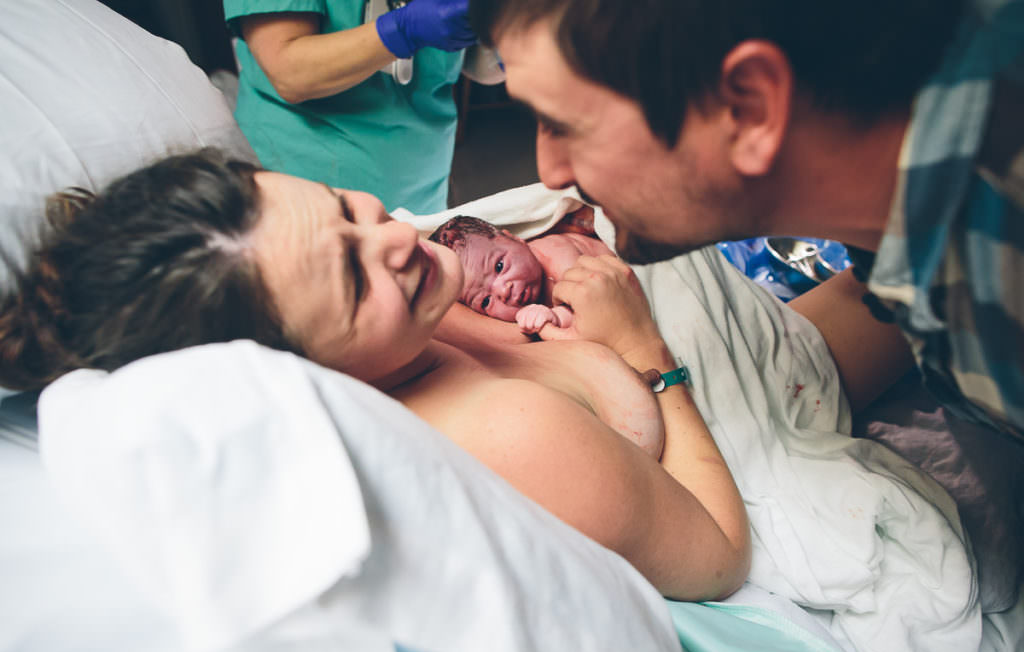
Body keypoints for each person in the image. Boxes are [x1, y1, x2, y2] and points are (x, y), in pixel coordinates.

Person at [0, 150, 750, 602]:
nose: (393, 232)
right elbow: (719, 555)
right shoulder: (509, 434)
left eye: (342, 207)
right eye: (355, 279)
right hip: (723, 462)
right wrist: (646, 347)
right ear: (302, 377)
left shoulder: (407, 303)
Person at [468, 0, 1024, 443]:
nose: (551, 172)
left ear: (750, 108)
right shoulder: (909, 232)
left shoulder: (1002, 281)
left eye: (563, 124)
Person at [224, 0, 475, 214]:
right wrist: (402, 31)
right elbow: (288, 71)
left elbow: (469, 60)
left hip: (424, 185)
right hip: (309, 189)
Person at [428, 212, 612, 333]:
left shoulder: (555, 251)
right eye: (485, 301)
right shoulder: (521, 318)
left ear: (513, 238)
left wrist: (557, 317)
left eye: (499, 267)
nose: (502, 291)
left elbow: (595, 304)